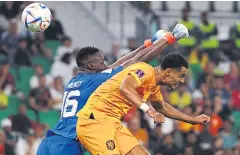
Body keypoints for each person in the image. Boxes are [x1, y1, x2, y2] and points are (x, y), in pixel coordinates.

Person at [37, 24, 189, 155]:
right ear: (91, 66)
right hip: (69, 141)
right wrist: (169, 38)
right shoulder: (97, 80)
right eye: (102, 62)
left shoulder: (75, 81)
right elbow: (134, 62)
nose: (106, 65)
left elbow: (118, 64)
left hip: (50, 140)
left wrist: (149, 43)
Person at [76, 52, 210, 155]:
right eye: (181, 75)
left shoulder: (153, 87)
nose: (182, 81)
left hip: (111, 122)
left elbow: (162, 107)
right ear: (168, 72)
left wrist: (192, 120)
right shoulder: (145, 70)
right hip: (94, 121)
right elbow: (125, 87)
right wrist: (148, 110)